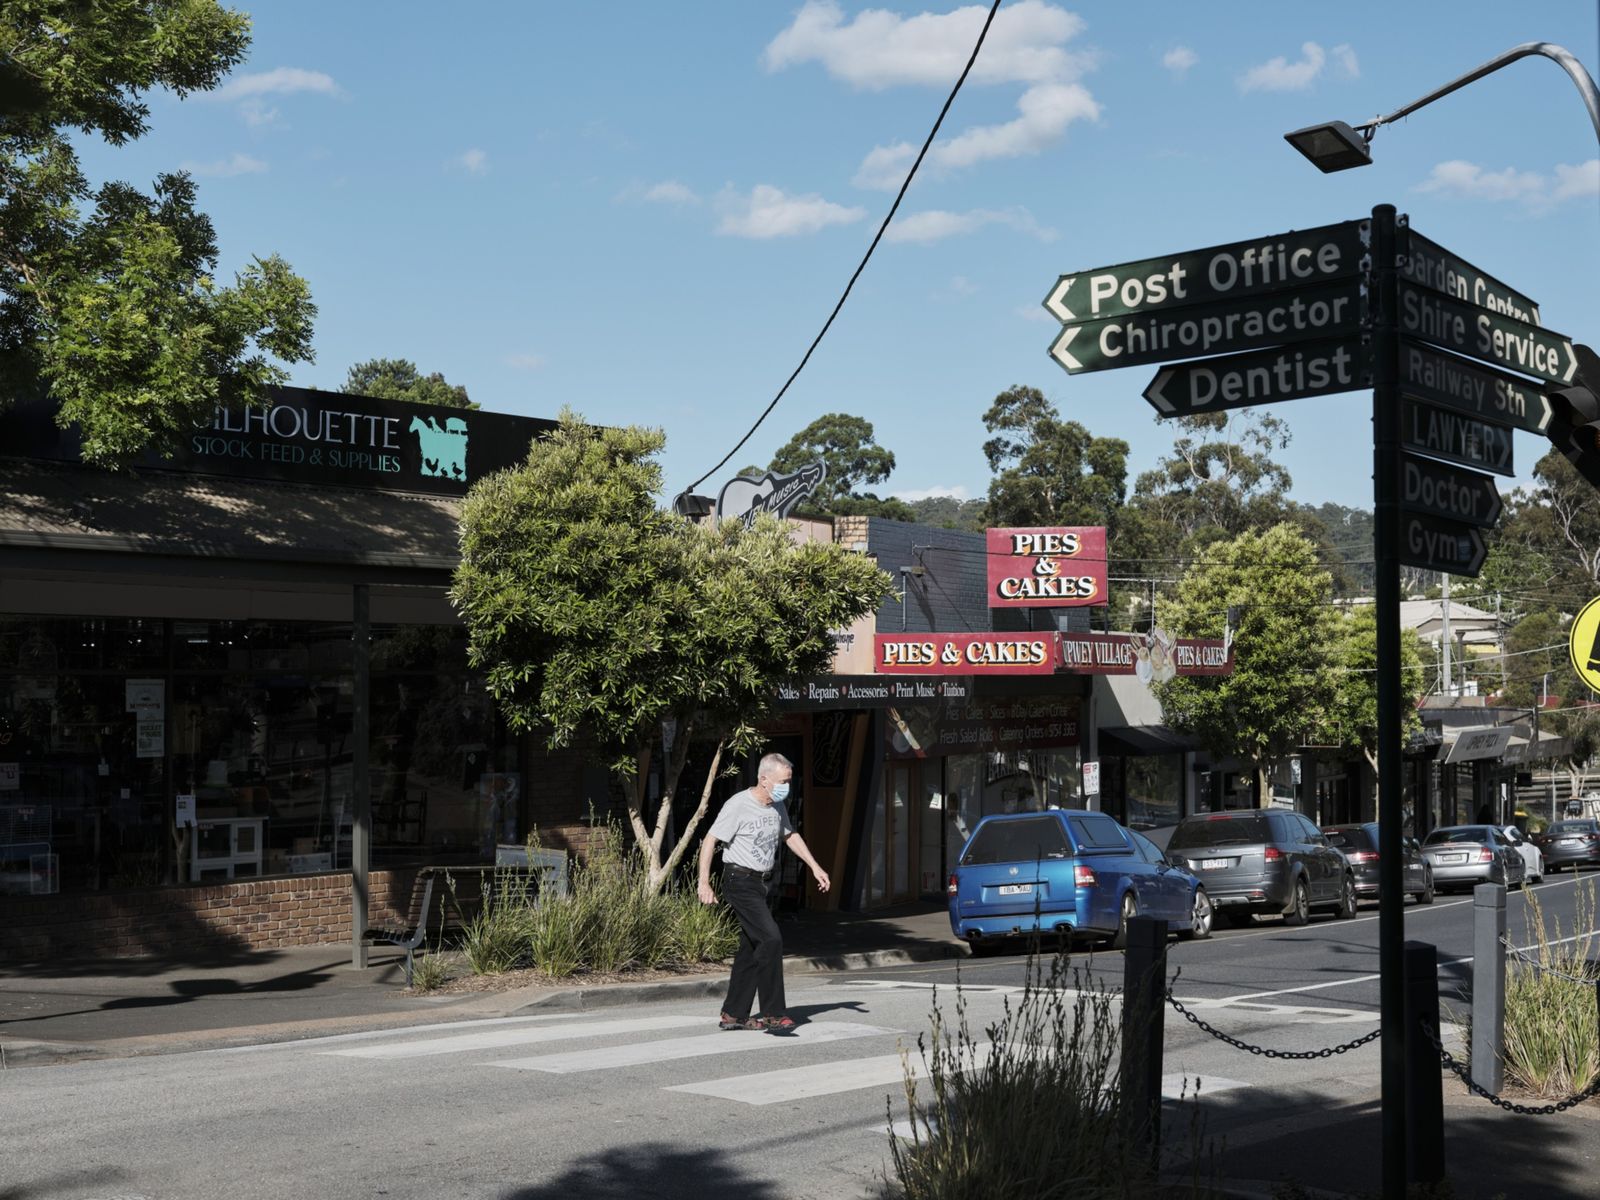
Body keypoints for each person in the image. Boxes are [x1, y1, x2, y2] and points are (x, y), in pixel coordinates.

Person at [698, 751, 830, 1034]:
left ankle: (733, 1013)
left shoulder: (777, 805)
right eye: (783, 781)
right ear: (764, 779)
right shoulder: (738, 805)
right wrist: (703, 882)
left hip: (764, 884)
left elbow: (790, 836)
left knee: (751, 947)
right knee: (771, 939)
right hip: (740, 881)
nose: (787, 786)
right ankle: (773, 1013)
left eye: (789, 781)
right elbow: (710, 840)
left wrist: (815, 867)